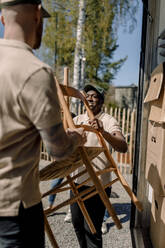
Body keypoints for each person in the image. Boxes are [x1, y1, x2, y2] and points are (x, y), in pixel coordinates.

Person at [0, 1, 86, 248]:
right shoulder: (35, 71)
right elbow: (58, 150)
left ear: (3, 19)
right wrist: (77, 137)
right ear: (37, 14)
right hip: (13, 210)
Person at [70, 84, 128, 248]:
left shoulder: (108, 120)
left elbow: (123, 146)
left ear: (101, 101)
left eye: (94, 96)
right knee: (77, 224)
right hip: (76, 182)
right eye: (87, 95)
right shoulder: (77, 119)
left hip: (98, 185)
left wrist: (103, 132)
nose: (89, 98)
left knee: (93, 231)